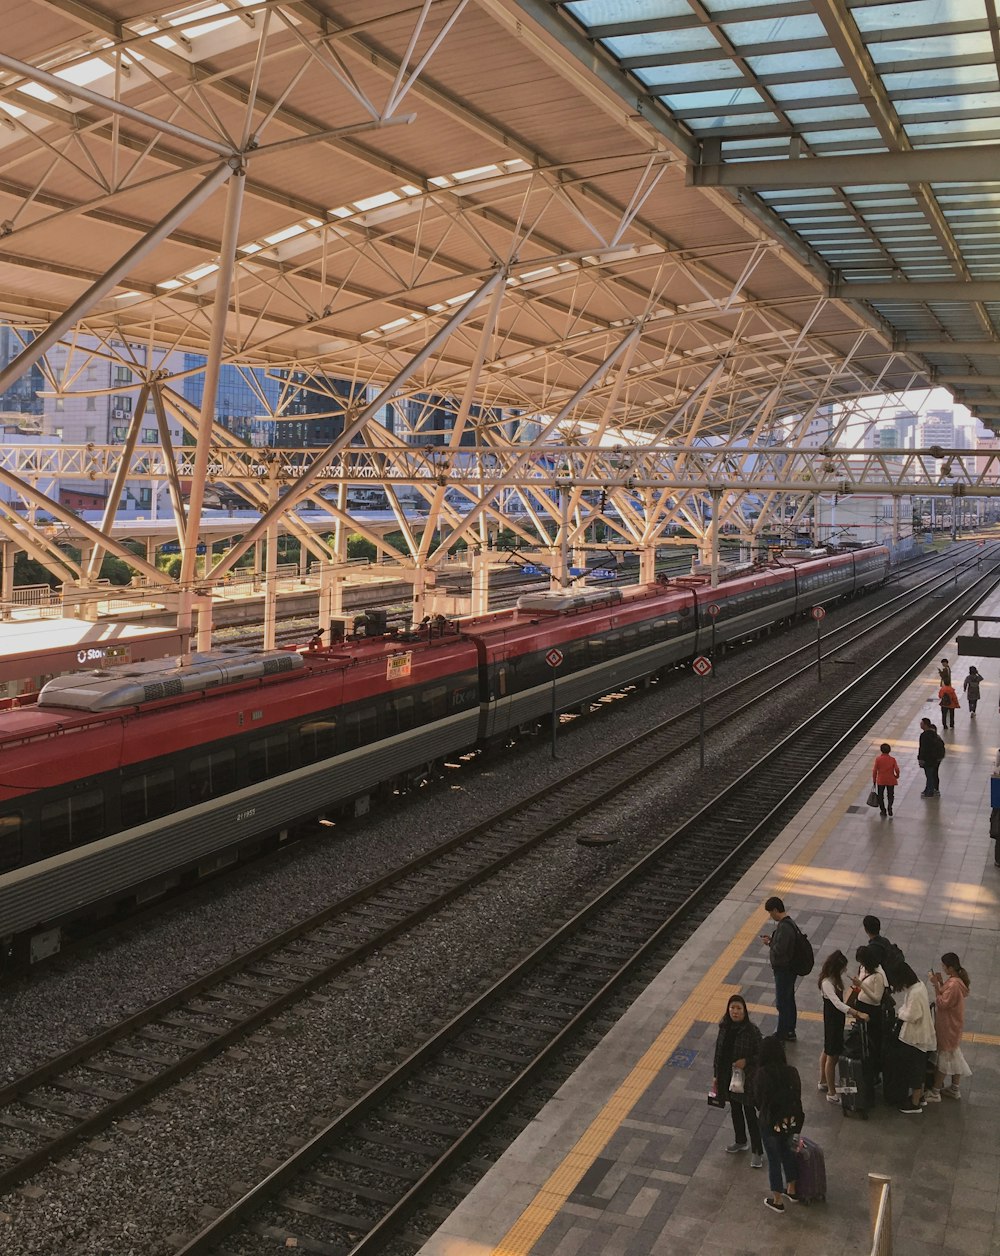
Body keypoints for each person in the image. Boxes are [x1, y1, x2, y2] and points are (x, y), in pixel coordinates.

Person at [712, 994, 764, 1167]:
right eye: (732, 1008)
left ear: (744, 1011)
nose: (735, 1011)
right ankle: (740, 1140)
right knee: (735, 1110)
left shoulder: (752, 1031)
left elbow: (761, 1054)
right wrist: (716, 1076)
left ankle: (757, 1151)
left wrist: (746, 1062)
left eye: (738, 1008)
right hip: (728, 1077)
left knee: (750, 1114)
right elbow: (718, 1053)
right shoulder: (724, 1027)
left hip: (747, 1079)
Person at [753, 1035, 803, 1213]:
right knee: (786, 1151)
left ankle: (777, 1199)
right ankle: (792, 1189)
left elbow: (758, 1100)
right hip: (789, 1121)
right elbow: (797, 1094)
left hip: (770, 1122)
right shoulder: (792, 1071)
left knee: (773, 1159)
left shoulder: (762, 1074)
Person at [817, 950, 868, 1102]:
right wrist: (855, 1012)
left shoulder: (834, 979)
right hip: (833, 1021)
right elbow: (837, 1003)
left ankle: (824, 1081)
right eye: (843, 968)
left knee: (827, 1050)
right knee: (832, 1056)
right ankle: (832, 1093)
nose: (845, 971)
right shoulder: (827, 983)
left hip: (836, 1020)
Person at [890, 964, 937, 1113]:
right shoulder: (919, 985)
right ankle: (919, 1097)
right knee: (918, 1066)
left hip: (915, 1037)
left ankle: (915, 1102)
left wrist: (900, 1012)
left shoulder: (915, 993)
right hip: (921, 1035)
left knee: (915, 1069)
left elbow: (912, 1015)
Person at [925, 954, 972, 1101]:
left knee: (944, 1058)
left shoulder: (954, 985)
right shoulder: (956, 981)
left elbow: (942, 1003)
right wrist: (940, 982)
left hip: (947, 1026)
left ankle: (935, 1091)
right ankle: (954, 1088)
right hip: (953, 1025)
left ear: (950, 967)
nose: (943, 968)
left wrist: (935, 985)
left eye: (944, 966)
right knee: (954, 1054)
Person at [761, 896, 798, 1042]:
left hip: (784, 970)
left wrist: (770, 942)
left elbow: (780, 949)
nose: (771, 916)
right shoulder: (790, 924)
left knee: (782, 1002)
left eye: (771, 913)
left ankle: (782, 1033)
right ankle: (790, 1030)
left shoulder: (784, 927)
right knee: (789, 999)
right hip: (789, 969)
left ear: (776, 910)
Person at [852, 944, 889, 1078]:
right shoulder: (862, 968)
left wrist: (861, 985)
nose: (861, 965)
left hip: (872, 1011)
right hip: (861, 1006)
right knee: (861, 1037)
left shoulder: (878, 976)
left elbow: (876, 998)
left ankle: (874, 1070)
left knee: (873, 1041)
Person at [917, 717, 944, 796]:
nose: (920, 725)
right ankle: (933, 789)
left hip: (928, 758)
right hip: (936, 758)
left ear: (925, 725)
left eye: (921, 724)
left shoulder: (924, 735)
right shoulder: (935, 735)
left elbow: (923, 748)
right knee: (933, 774)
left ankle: (929, 791)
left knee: (929, 775)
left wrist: (920, 758)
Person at [871, 743, 899, 817]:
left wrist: (874, 780)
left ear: (881, 750)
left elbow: (874, 770)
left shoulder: (878, 759)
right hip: (891, 779)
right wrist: (897, 776)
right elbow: (897, 769)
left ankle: (883, 810)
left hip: (881, 780)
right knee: (890, 795)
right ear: (889, 750)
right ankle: (890, 806)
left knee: (880, 796)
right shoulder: (892, 759)